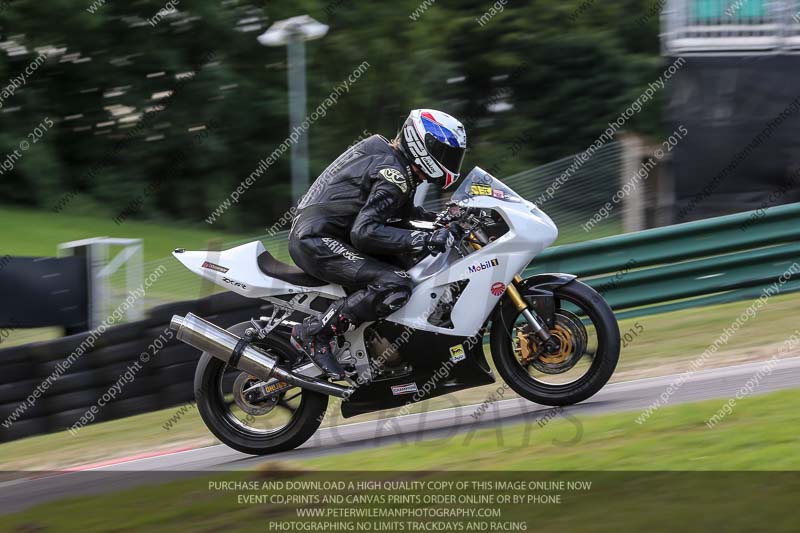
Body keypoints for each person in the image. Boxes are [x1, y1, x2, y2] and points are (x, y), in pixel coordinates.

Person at [289, 109, 467, 379]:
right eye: (447, 154)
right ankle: (315, 333)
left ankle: (379, 347)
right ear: (424, 145)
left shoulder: (395, 163)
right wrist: (424, 238)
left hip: (325, 235)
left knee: (405, 264)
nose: (451, 162)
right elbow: (365, 232)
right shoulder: (393, 173)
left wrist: (442, 221)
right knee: (394, 282)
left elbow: (400, 216)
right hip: (318, 240)